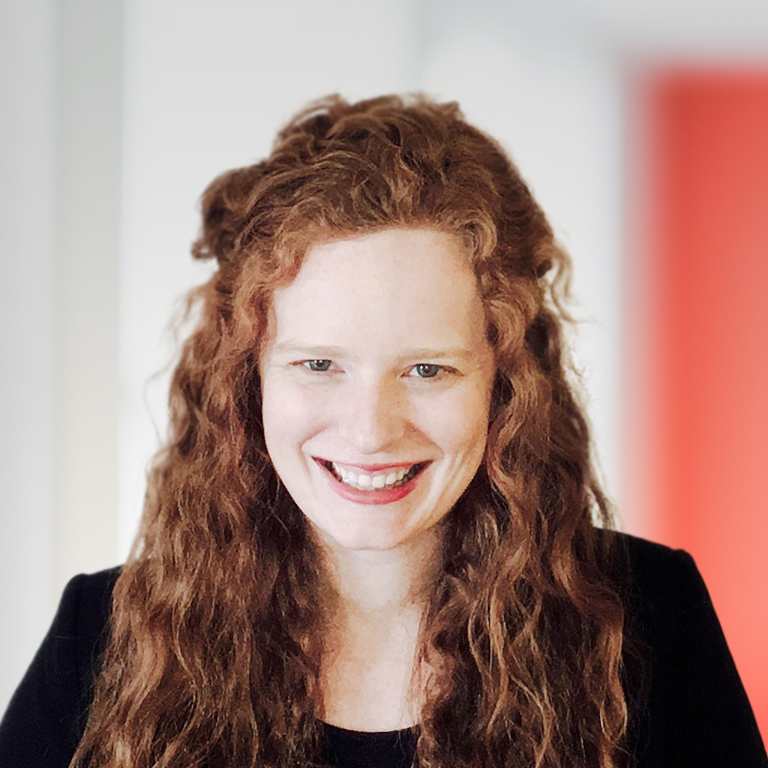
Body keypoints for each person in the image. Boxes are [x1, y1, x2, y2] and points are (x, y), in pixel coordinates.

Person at [0, 94, 766, 768]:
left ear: (505, 383)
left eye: (428, 370)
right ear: (248, 375)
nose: (369, 431)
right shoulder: (100, 643)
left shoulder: (653, 622)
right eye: (319, 365)